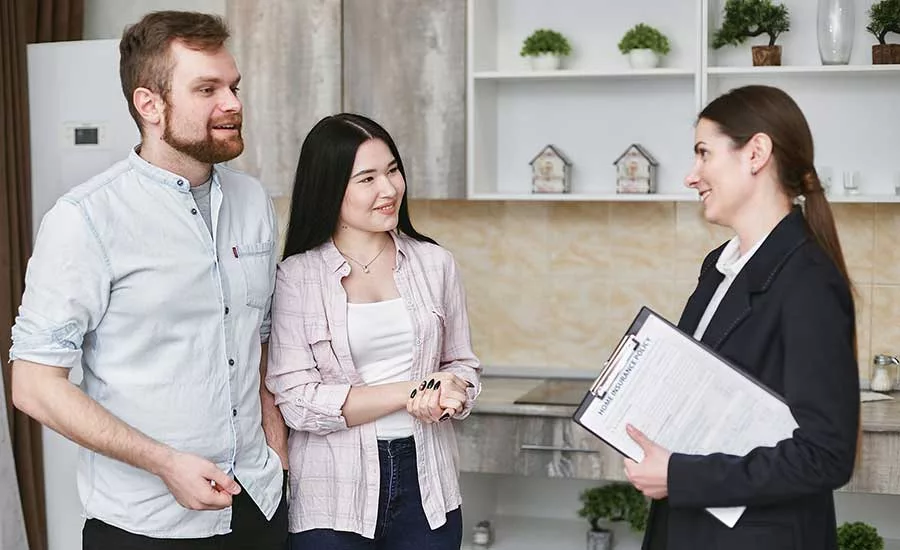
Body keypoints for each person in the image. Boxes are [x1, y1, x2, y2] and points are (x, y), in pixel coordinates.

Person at [10, 11, 288, 549]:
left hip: (258, 504)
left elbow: (260, 337)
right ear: (150, 105)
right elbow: (33, 386)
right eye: (207, 89)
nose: (232, 103)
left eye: (233, 86)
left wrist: (276, 447)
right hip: (145, 525)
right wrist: (164, 463)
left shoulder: (254, 201)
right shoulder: (85, 219)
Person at [621, 84, 860, 550]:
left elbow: (826, 455)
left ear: (755, 153)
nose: (692, 176)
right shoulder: (720, 266)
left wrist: (679, 474)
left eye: (704, 154)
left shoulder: (808, 280)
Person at [266, 113, 481, 550]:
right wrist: (411, 391)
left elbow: (462, 364)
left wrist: (453, 391)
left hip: (429, 486)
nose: (389, 189)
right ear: (330, 188)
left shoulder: (435, 263)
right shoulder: (296, 277)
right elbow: (296, 401)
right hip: (332, 492)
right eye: (367, 178)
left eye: (393, 170)